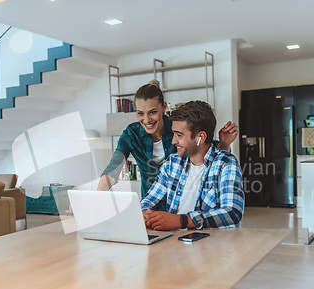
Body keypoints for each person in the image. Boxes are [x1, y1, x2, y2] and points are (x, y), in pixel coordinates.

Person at [97, 80, 239, 211]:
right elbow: (113, 169)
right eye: (140, 113)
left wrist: (225, 143)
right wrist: (95, 202)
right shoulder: (131, 134)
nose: (146, 120)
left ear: (164, 107)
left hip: (180, 204)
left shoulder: (178, 127)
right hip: (150, 202)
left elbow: (210, 154)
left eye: (152, 112)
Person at [141, 100, 244, 230]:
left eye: (179, 135)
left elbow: (232, 213)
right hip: (173, 241)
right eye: (174, 134)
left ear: (200, 137)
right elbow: (149, 199)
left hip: (210, 245)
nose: (173, 141)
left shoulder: (226, 164)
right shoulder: (172, 163)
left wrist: (182, 220)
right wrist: (145, 212)